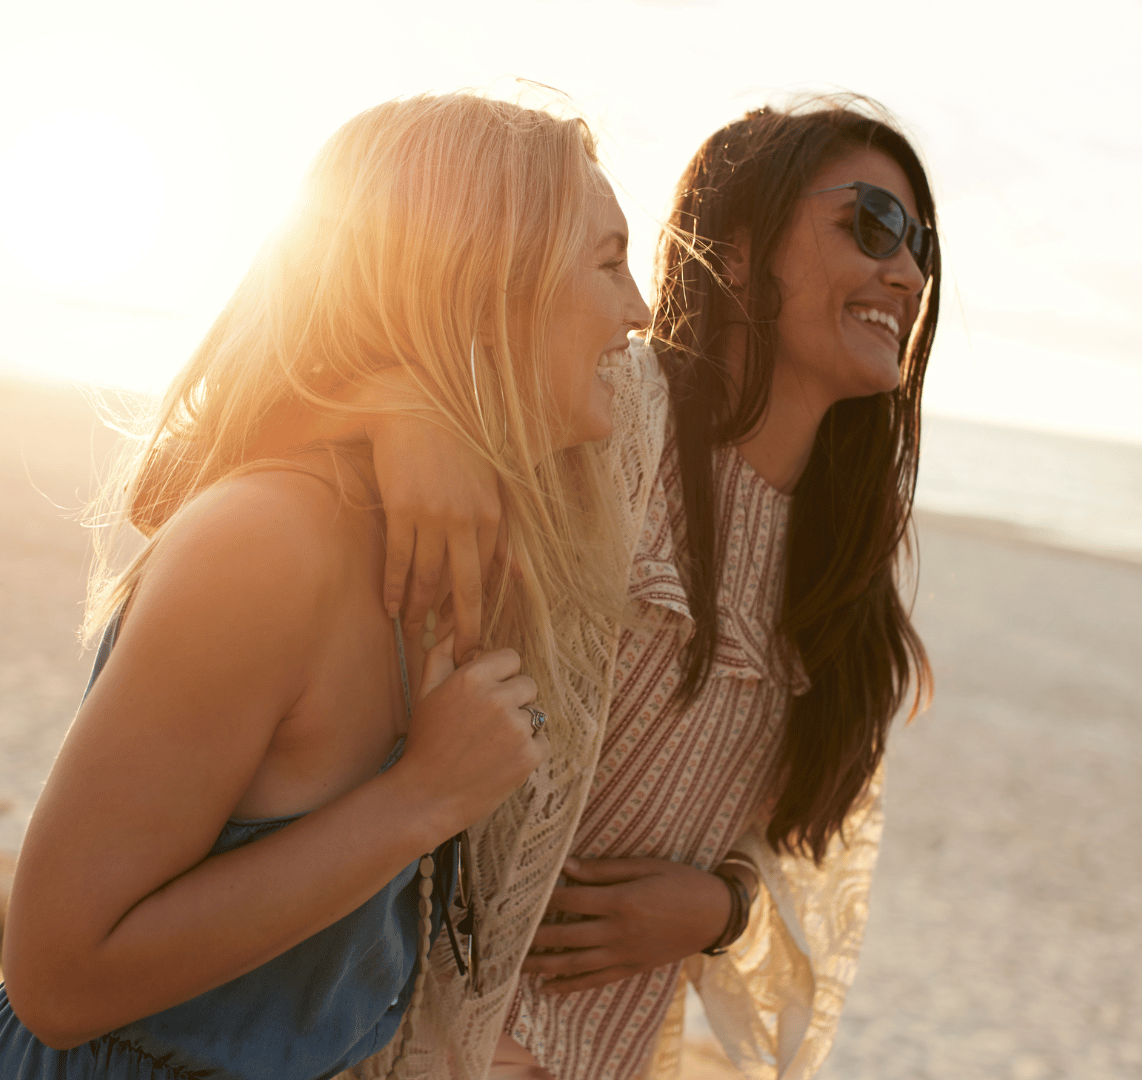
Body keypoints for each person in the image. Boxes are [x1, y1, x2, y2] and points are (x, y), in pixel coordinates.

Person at [0, 91, 651, 1080]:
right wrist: (418, 800)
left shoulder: (435, 545)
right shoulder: (272, 542)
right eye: (609, 263)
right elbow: (57, 979)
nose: (639, 311)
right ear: (480, 283)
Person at [363, 96, 940, 1080]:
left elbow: (794, 851)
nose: (906, 270)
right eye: (872, 224)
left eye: (920, 243)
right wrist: (398, 411)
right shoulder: (608, 411)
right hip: (412, 1038)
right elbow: (398, 331)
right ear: (747, 246)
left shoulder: (844, 558)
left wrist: (721, 911)